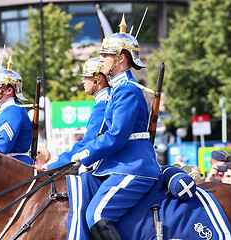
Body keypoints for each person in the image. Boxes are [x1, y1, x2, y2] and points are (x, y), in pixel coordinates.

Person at [70, 15, 160, 239]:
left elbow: (117, 136)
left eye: (105, 55)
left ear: (120, 58)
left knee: (97, 214)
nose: (100, 59)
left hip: (133, 166)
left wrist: (85, 155)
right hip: (120, 164)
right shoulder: (119, 90)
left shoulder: (127, 90)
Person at [44, 57, 111, 169]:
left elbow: (88, 143)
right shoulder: (103, 101)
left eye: (86, 77)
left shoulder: (104, 104)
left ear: (98, 79)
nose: (83, 81)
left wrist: (53, 164)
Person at [0, 56, 33, 165]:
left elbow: (2, 146)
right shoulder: (6, 110)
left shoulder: (13, 111)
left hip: (15, 168)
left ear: (9, 90)